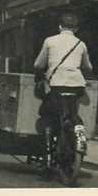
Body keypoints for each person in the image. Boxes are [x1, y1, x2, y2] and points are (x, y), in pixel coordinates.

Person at [34, 12, 93, 155]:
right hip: (76, 86)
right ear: (76, 29)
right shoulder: (81, 44)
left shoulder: (49, 41)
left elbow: (38, 64)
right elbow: (88, 67)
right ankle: (79, 132)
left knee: (47, 113)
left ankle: (48, 149)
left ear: (60, 27)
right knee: (73, 113)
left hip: (57, 85)